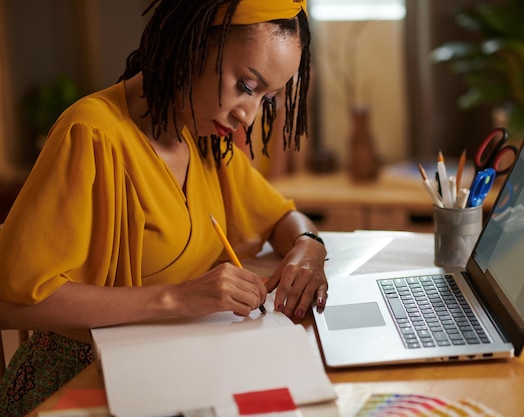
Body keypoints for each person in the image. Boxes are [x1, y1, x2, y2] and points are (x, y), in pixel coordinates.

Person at [0, 0, 327, 415]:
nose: (247, 117)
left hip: (175, 366)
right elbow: (9, 301)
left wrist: (308, 246)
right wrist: (176, 299)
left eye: (267, 98)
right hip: (83, 380)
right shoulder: (91, 134)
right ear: (193, 44)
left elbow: (283, 216)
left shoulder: (205, 141)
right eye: (246, 86)